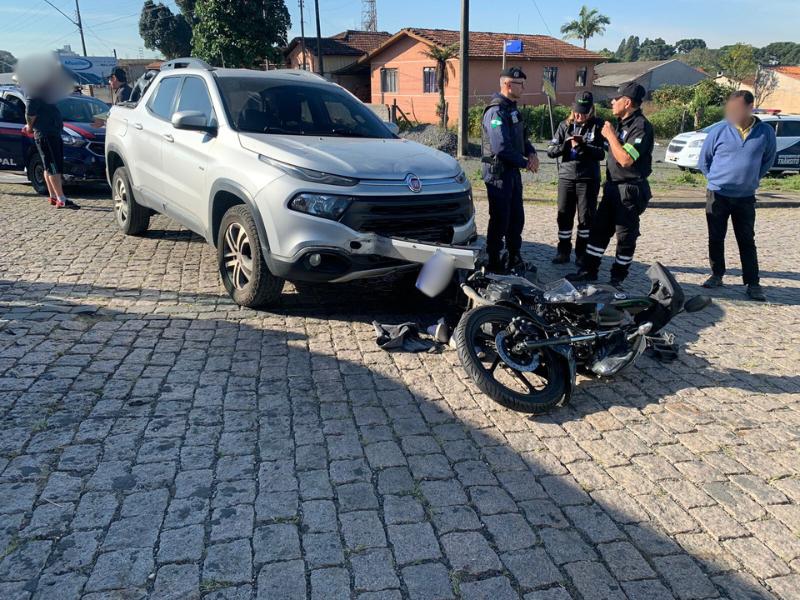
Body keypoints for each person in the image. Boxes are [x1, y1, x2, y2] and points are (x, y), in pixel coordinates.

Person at [568, 82, 653, 287]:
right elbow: (608, 149)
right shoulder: (621, 123)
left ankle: (618, 277)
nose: (613, 102)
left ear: (628, 102)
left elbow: (625, 159)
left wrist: (611, 137)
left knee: (625, 235)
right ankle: (589, 270)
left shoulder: (640, 126)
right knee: (599, 231)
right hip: (613, 186)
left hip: (630, 189)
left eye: (617, 99)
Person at [699, 90, 776, 302]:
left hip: (745, 197)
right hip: (718, 194)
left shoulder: (765, 132)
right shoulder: (720, 130)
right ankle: (717, 275)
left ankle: (753, 283)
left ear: (750, 108)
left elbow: (767, 160)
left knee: (746, 240)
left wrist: (749, 180)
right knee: (716, 237)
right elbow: (704, 160)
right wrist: (716, 180)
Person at [481, 66, 539, 273]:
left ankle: (514, 256)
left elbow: (522, 139)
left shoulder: (512, 109)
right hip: (498, 174)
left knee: (516, 217)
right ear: (507, 84)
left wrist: (531, 153)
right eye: (520, 84)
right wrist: (525, 163)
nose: (524, 88)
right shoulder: (495, 111)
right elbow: (501, 147)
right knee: (500, 218)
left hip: (511, 172)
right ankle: (494, 260)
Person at [546, 91, 605, 266]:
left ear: (591, 110)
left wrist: (585, 146)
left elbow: (602, 153)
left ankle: (581, 254)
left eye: (584, 112)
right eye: (577, 111)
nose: (579, 116)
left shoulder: (598, 126)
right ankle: (563, 252)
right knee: (564, 216)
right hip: (567, 177)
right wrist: (566, 145)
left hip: (588, 179)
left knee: (586, 219)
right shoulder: (564, 125)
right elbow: (550, 151)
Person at [23, 93, 79, 209]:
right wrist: (29, 127)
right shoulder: (34, 91)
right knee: (53, 166)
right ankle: (61, 198)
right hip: (46, 135)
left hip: (51, 133)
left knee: (48, 166)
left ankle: (53, 196)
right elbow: (30, 112)